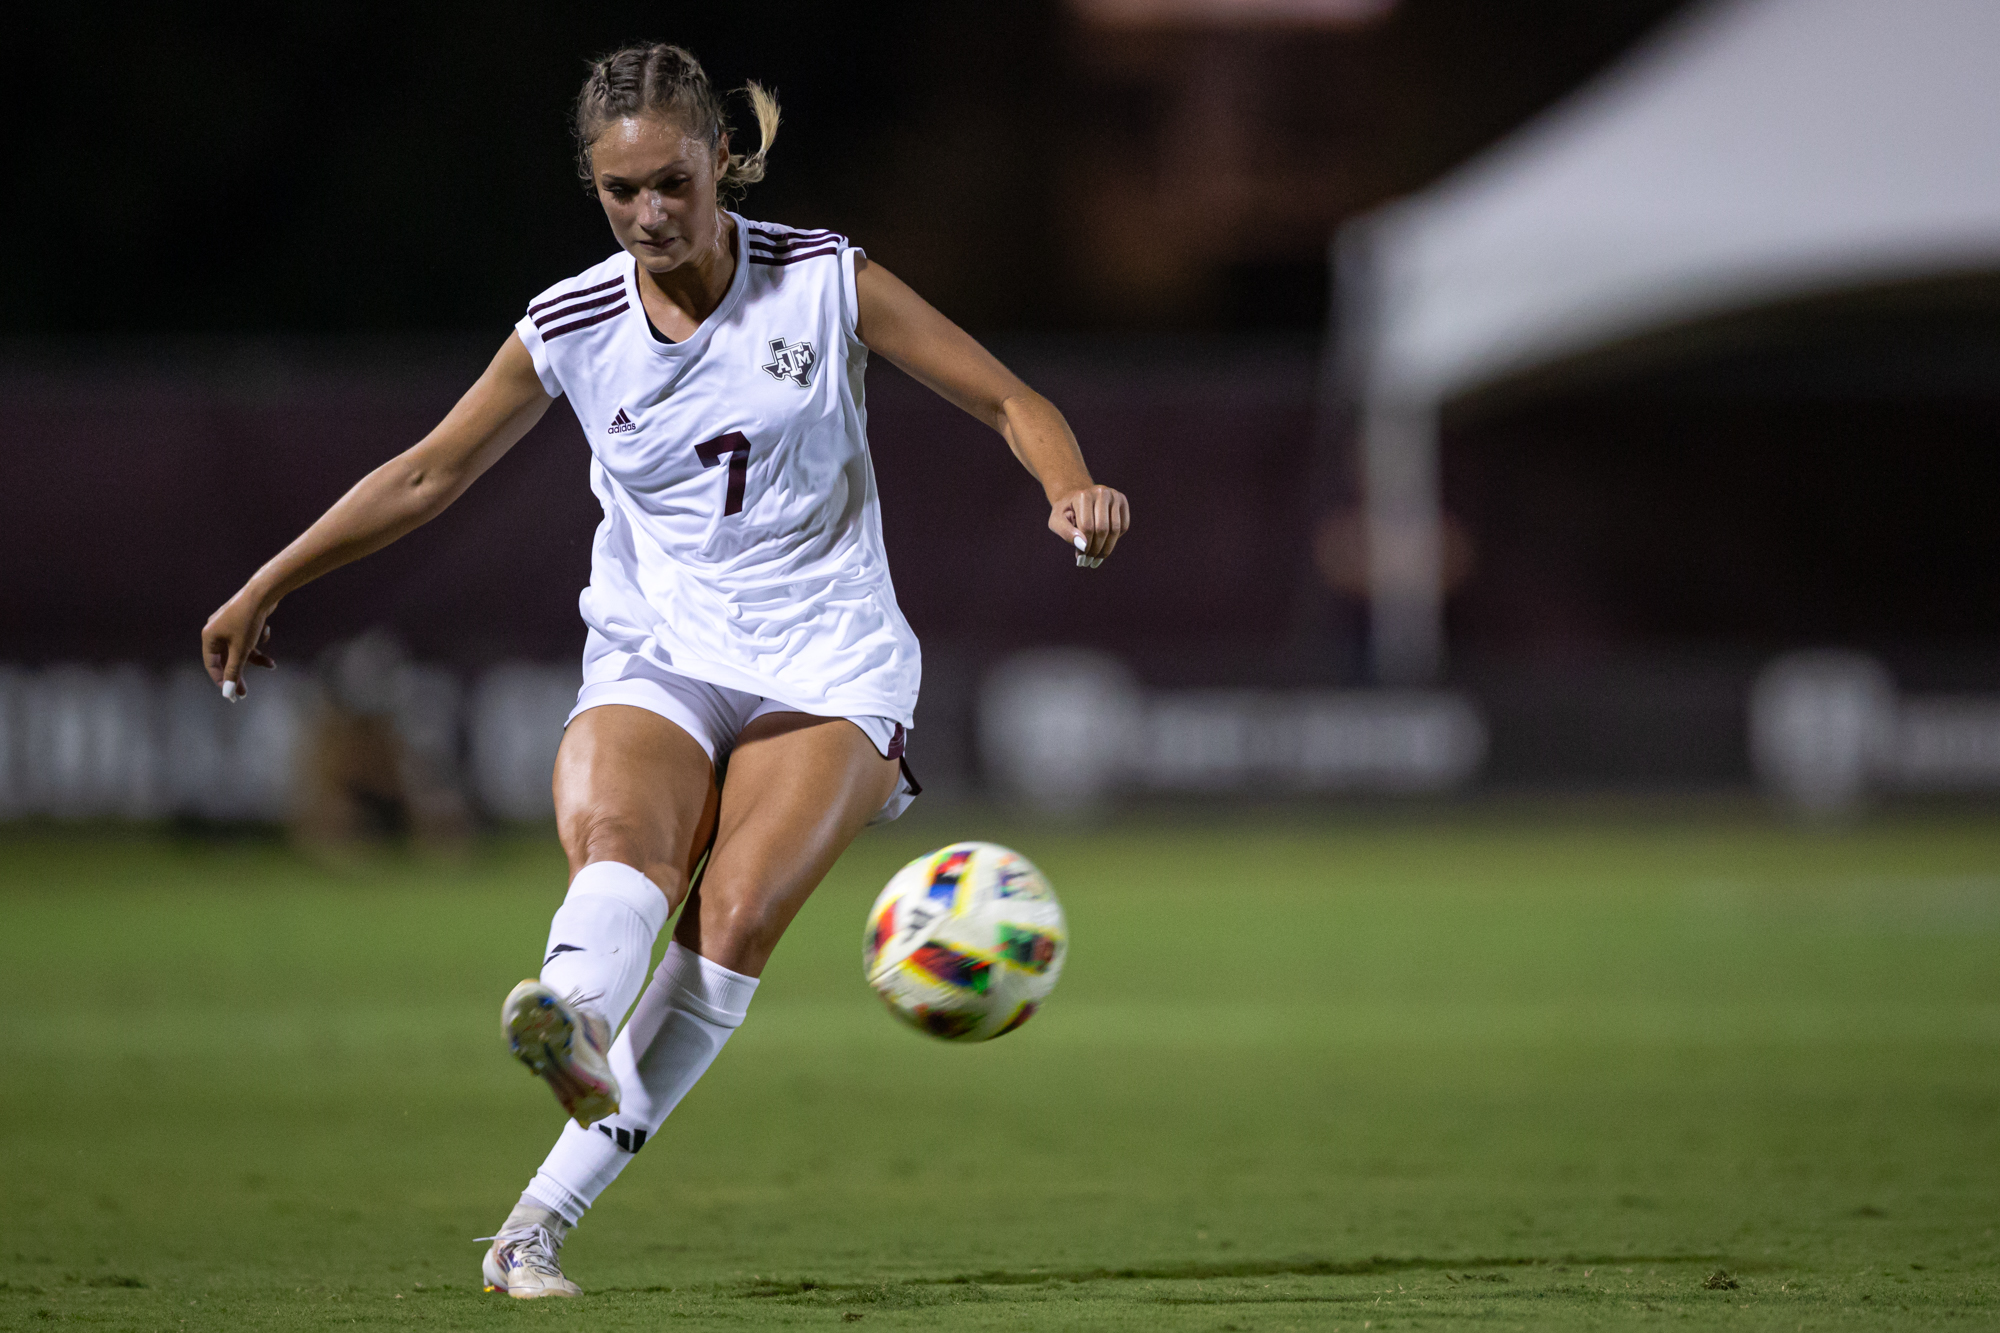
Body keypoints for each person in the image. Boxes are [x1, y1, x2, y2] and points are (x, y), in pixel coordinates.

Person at [199, 42, 1130, 1299]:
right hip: (661, 647)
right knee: (619, 849)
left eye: (671, 184)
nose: (647, 213)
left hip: (830, 660)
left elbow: (1007, 399)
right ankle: (569, 1017)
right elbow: (428, 471)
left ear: (721, 164)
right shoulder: (572, 324)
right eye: (619, 190)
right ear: (594, 188)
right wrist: (271, 581)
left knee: (729, 923)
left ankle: (531, 1225)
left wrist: (1068, 484)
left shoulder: (821, 280)